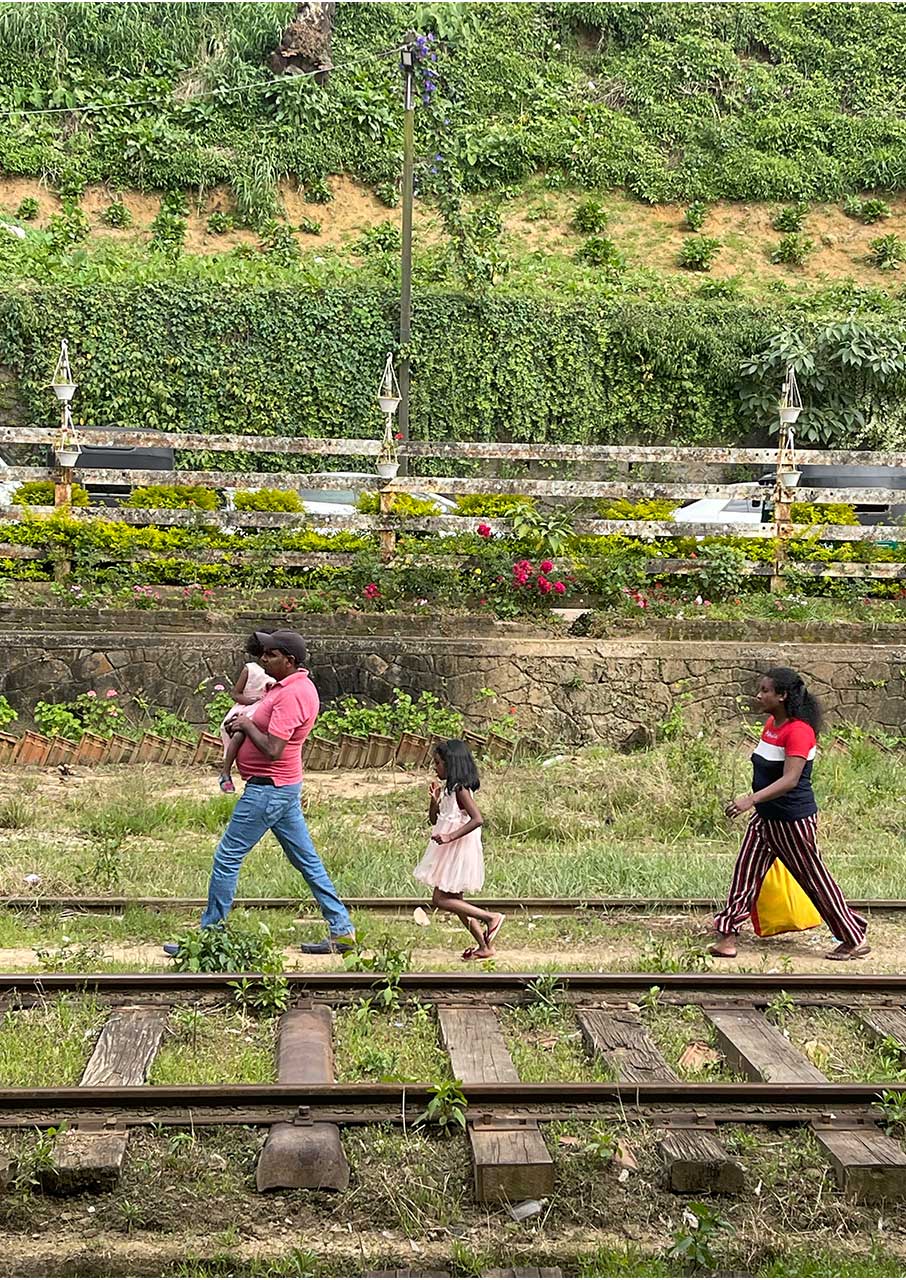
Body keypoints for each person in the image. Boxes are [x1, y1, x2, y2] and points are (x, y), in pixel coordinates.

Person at [163, 630, 355, 958]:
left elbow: (273, 749)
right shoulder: (288, 687)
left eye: (270, 655)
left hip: (269, 787)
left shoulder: (292, 695)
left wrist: (246, 726)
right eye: (263, 654)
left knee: (227, 857)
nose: (262, 660)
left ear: (289, 660)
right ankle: (342, 930)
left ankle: (210, 937)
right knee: (307, 861)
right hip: (282, 787)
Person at [710, 666, 869, 962]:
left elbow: (790, 780)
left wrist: (750, 800)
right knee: (745, 874)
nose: (759, 696)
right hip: (766, 819)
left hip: (792, 821)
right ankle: (728, 933)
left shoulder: (799, 731)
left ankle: (853, 936)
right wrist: (758, 805)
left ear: (782, 695)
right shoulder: (772, 724)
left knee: (813, 879)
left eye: (765, 691)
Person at [413, 738, 504, 961]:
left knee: (440, 899)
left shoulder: (461, 789)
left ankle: (490, 917)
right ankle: (484, 947)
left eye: (438, 763)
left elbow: (477, 819)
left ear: (451, 764)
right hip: (448, 848)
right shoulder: (449, 789)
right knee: (457, 902)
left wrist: (449, 836)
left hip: (458, 847)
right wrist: (434, 802)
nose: (435, 768)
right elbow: (434, 819)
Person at [218, 634, 274, 793]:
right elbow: (236, 694)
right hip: (247, 708)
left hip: (265, 708)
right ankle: (226, 772)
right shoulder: (251, 669)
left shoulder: (276, 672)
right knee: (239, 734)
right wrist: (254, 702)